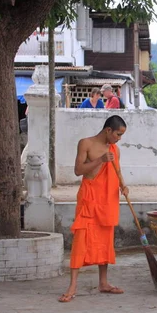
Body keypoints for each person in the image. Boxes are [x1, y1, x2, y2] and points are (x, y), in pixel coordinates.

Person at [59, 115, 130, 303]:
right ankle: (72, 285)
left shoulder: (115, 150)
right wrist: (100, 160)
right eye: (118, 134)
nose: (119, 138)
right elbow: (78, 170)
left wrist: (123, 185)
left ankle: (103, 282)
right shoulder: (86, 143)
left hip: (108, 199)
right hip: (90, 199)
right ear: (108, 130)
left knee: (105, 240)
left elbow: (117, 170)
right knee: (81, 239)